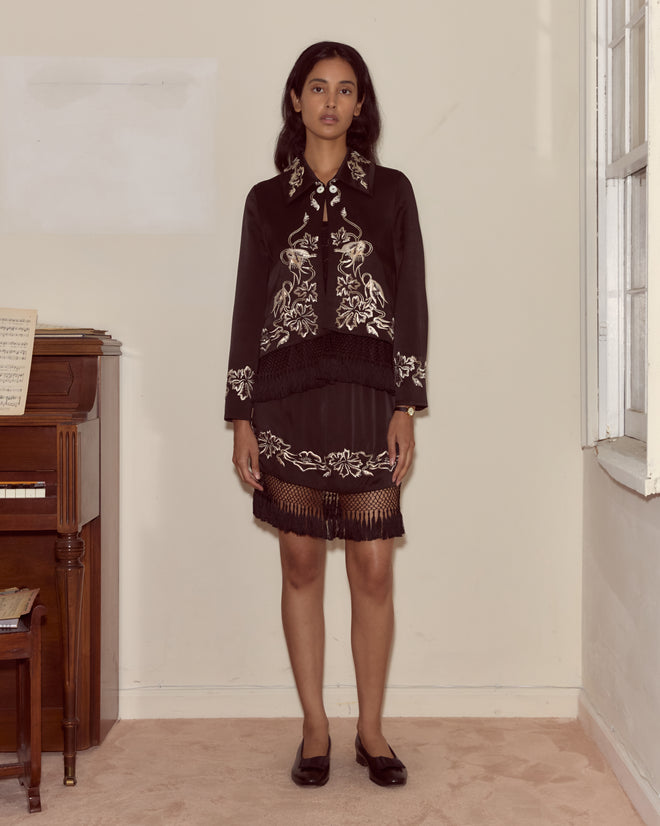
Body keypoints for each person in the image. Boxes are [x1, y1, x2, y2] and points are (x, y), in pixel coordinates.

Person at [225, 41, 427, 787]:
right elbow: (249, 307)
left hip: (370, 398)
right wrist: (240, 414)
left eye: (346, 90)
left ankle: (371, 728)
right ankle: (315, 727)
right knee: (300, 560)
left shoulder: (393, 192)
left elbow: (410, 303)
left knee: (374, 567)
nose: (331, 102)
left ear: (360, 106)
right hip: (286, 402)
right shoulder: (264, 201)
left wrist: (406, 404)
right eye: (318, 88)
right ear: (295, 101)